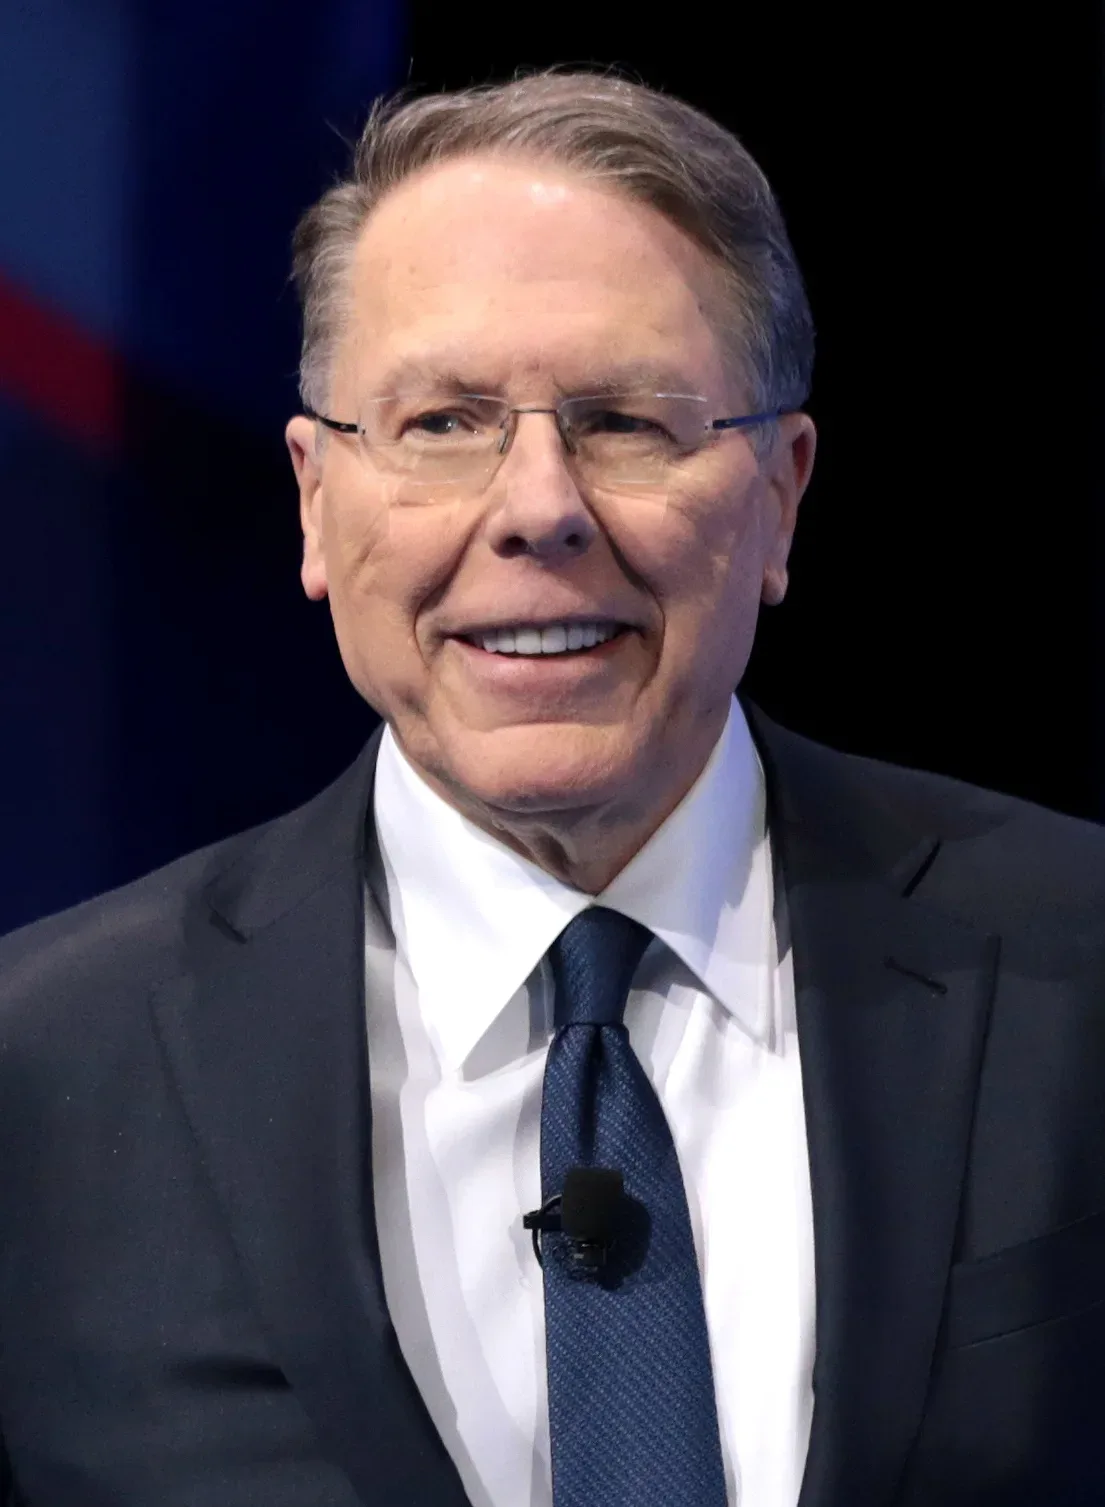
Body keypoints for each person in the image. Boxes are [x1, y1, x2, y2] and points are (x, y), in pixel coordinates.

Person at [0, 68, 1102, 1507]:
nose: (537, 507)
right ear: (316, 499)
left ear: (783, 491)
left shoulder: (1079, 960)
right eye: (443, 422)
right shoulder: (42, 1072)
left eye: (628, 421)